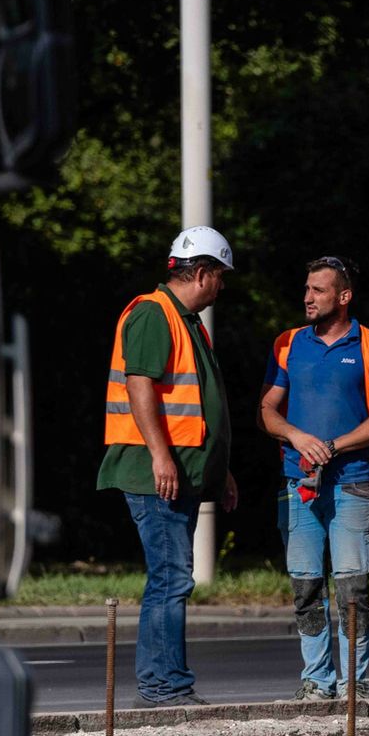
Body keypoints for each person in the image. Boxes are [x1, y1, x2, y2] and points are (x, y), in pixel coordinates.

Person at [96, 225, 238, 707]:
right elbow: (141, 388)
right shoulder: (155, 315)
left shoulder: (185, 321)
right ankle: (163, 684)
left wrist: (221, 472)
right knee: (170, 578)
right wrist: (161, 455)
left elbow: (197, 408)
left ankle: (169, 680)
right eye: (220, 277)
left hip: (181, 470)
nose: (222, 287)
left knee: (172, 576)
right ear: (201, 273)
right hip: (154, 471)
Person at [258, 256, 369, 700]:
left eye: (318, 290)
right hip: (297, 483)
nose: (307, 297)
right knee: (305, 585)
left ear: (344, 296)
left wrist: (333, 446)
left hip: (351, 481)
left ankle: (352, 685)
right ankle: (316, 681)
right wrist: (298, 437)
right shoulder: (287, 343)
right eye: (306, 289)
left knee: (352, 587)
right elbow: (266, 410)